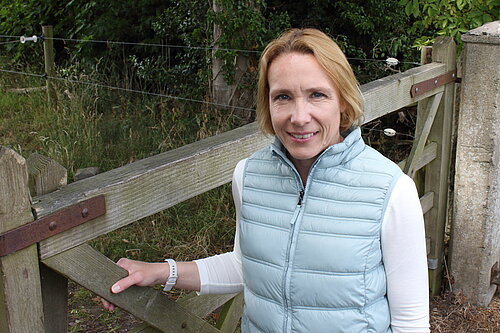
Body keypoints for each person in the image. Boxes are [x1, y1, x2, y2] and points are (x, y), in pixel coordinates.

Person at [102, 28, 430, 333]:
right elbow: (249, 267)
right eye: (283, 97)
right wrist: (162, 272)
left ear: (342, 100)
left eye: (317, 95)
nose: (299, 117)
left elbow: (410, 322)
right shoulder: (248, 175)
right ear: (267, 102)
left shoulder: (390, 190)